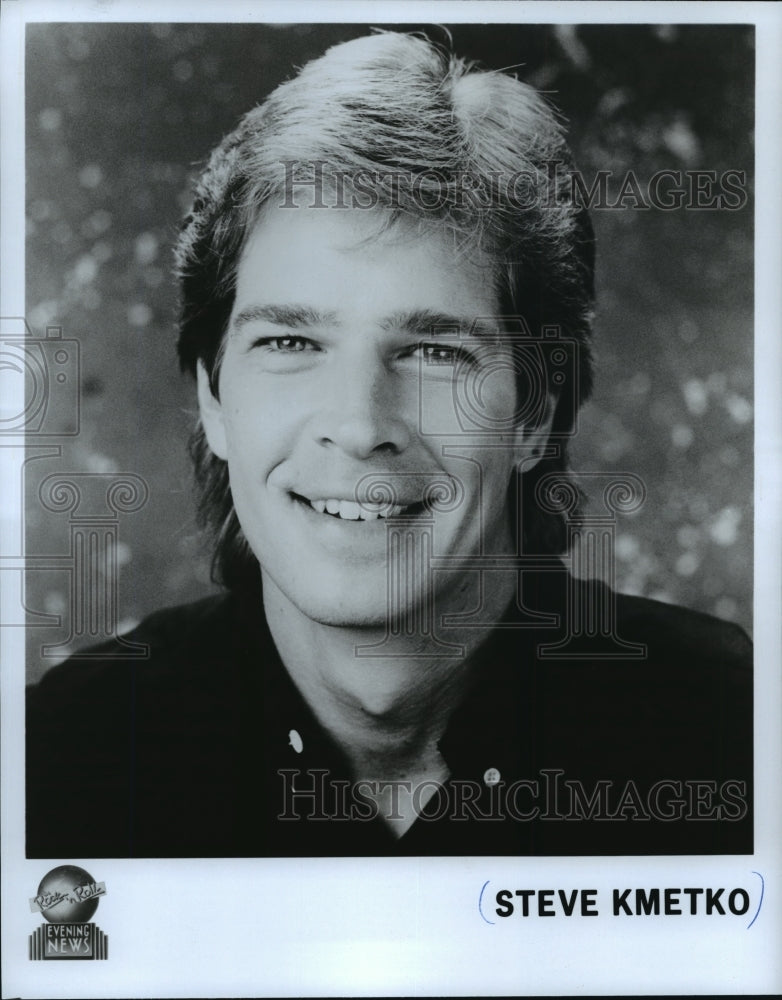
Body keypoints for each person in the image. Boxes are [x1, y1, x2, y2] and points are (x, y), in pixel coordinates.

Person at [26, 31, 752, 858]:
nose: (362, 424)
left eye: (435, 352)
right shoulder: (64, 762)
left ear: (533, 414)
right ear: (213, 397)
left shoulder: (733, 736)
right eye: (291, 343)